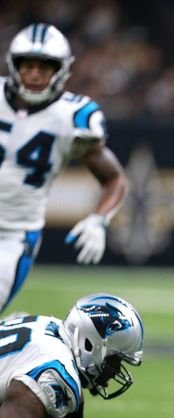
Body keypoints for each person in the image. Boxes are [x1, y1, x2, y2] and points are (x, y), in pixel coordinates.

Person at [0, 23, 127, 313]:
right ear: (14, 66)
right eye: (28, 65)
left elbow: (114, 178)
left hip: (13, 235)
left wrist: (99, 219)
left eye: (44, 67)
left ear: (62, 70)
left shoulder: (73, 117)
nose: (34, 74)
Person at [0, 293, 143, 418]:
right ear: (91, 345)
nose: (117, 371)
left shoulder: (51, 327)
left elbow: (74, 404)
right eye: (115, 360)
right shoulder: (52, 373)